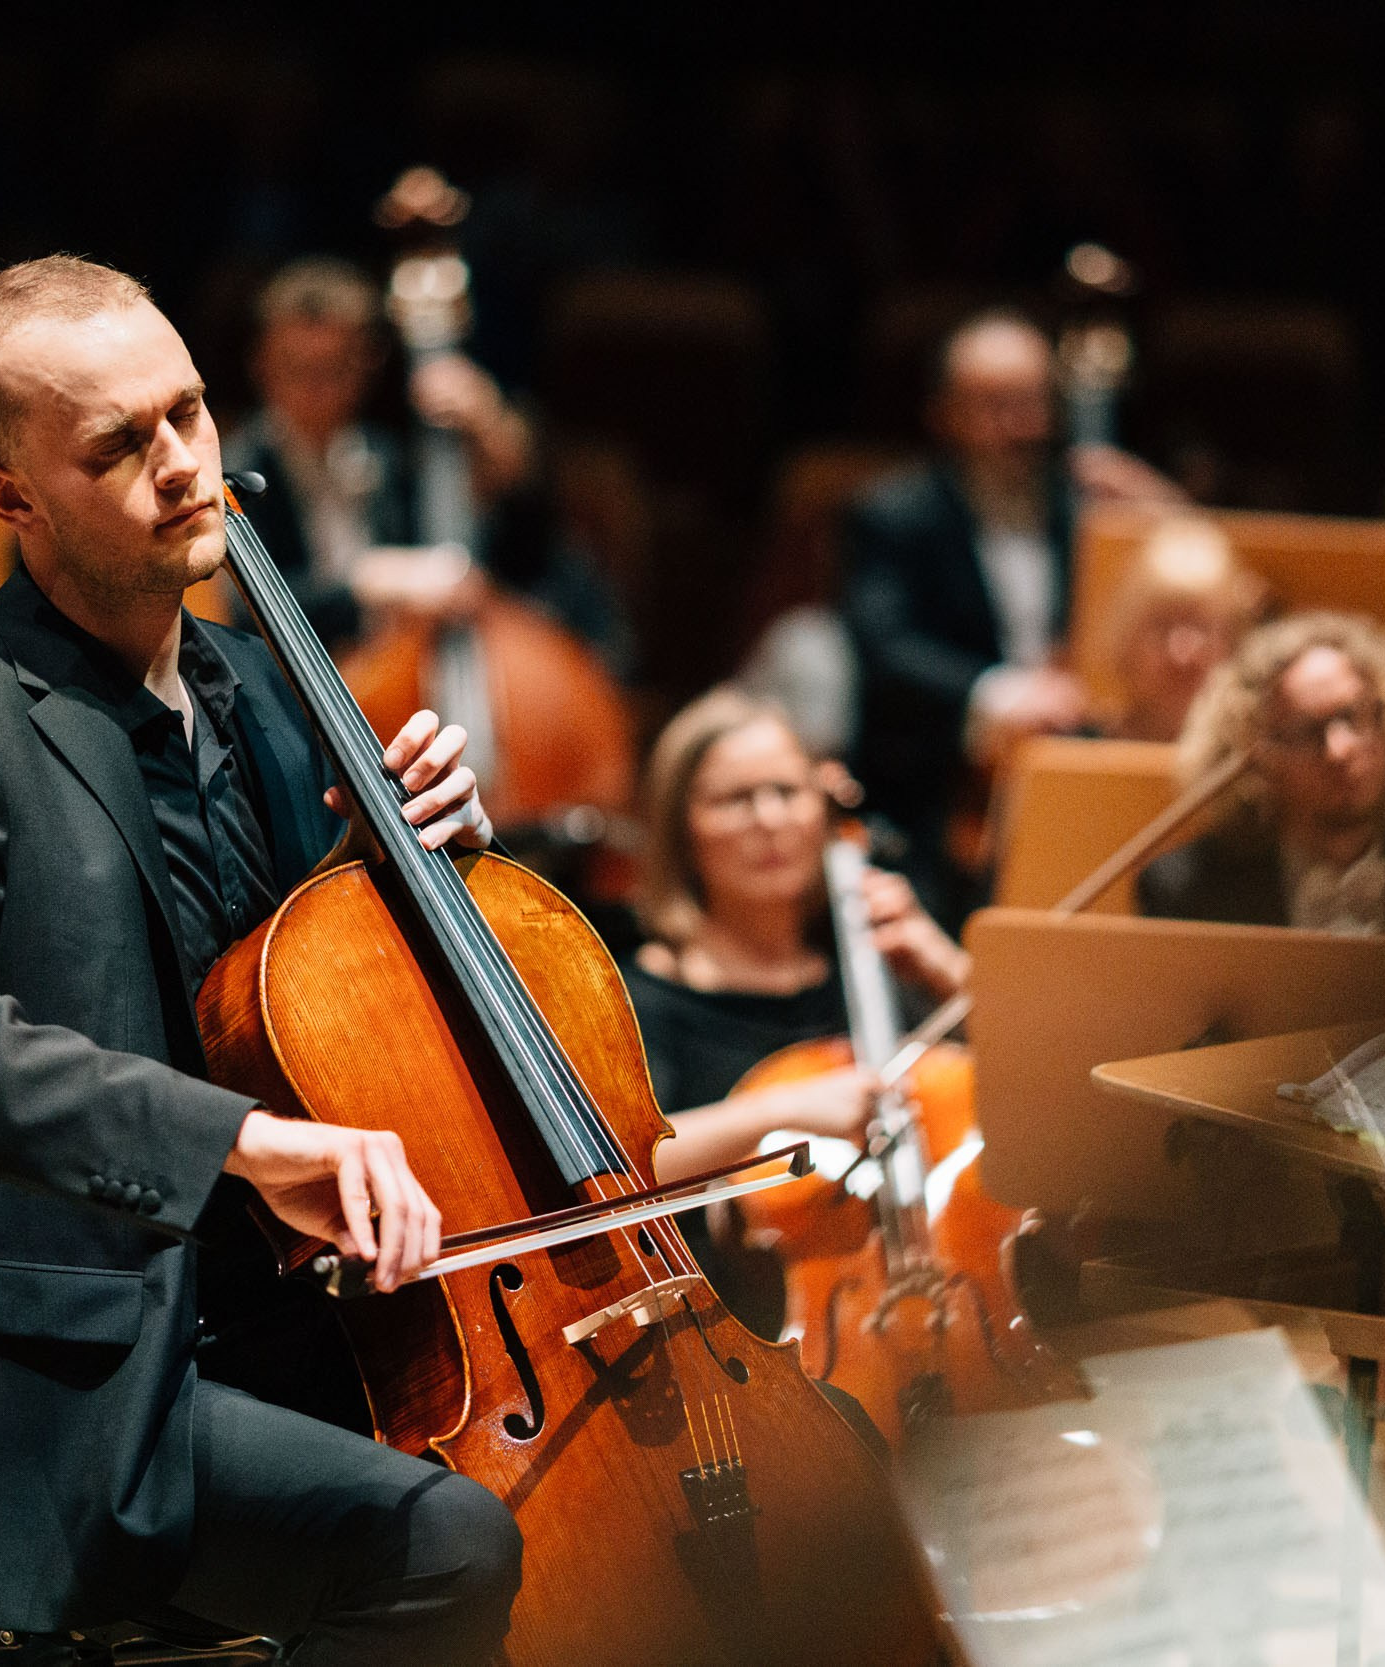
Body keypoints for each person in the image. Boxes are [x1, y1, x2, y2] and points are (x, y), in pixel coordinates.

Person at [0, 256, 519, 1662]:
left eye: (189, 412)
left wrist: (425, 859)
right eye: (118, 444)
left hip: (310, 1318)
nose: (185, 464)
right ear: (7, 495)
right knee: (450, 1539)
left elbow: (275, 991)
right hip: (86, 1376)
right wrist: (246, 1143)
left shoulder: (257, 683)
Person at [622, 688, 969, 1340]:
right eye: (734, 799)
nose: (769, 818)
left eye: (787, 791)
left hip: (931, 1294)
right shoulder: (643, 995)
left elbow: (1018, 1085)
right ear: (681, 828)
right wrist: (778, 1109)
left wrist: (945, 965)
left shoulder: (872, 963)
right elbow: (627, 1167)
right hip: (747, 1335)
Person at [844, 308, 1183, 915]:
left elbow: (1213, 595)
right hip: (943, 786)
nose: (1020, 426)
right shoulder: (894, 515)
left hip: (1078, 768)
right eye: (994, 405)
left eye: (1033, 402)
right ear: (943, 414)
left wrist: (1165, 511)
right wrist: (999, 693)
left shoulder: (1088, 505)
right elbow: (885, 650)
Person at [226, 255, 624, 664]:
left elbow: (496, 550)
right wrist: (365, 584)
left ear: (368, 363)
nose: (317, 390)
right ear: (262, 365)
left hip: (399, 670)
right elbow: (243, 612)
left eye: (335, 368)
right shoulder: (239, 472)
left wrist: (490, 431)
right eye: (298, 368)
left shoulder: (385, 458)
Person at [1136, 611, 1385, 932]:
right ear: (1257, 757)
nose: (1339, 750)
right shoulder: (1187, 894)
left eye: (1352, 716)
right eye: (1305, 731)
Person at [1094, 515, 1270, 743]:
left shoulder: (1262, 762)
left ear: (1233, 639)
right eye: (1162, 626)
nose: (1182, 655)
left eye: (1201, 627)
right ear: (1127, 638)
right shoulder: (1069, 752)